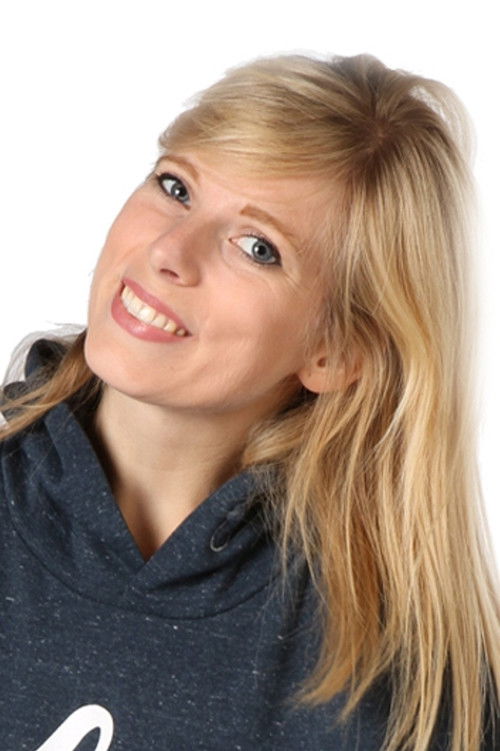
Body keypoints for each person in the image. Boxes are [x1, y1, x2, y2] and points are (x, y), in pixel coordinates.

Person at [0, 52, 498, 751]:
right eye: (176, 186)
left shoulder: (402, 693)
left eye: (258, 247)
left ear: (336, 351)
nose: (170, 251)